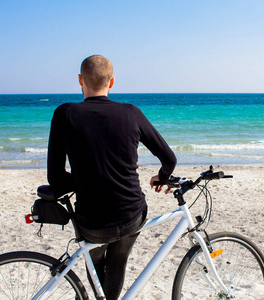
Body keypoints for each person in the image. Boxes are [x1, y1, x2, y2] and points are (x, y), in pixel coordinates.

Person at [47, 55, 176, 300]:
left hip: (92, 222)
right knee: (118, 263)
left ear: (80, 81)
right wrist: (162, 177)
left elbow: (55, 177)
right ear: (112, 82)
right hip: (130, 215)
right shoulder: (131, 113)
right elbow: (169, 159)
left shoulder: (65, 114)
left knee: (95, 265)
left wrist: (86, 179)